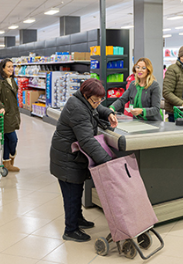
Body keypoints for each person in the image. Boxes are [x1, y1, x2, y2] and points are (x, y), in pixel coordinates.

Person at [50, 78, 118, 242]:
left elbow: (98, 108)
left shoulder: (82, 101)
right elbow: (87, 141)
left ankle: (78, 219)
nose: (98, 103)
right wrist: (107, 161)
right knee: (72, 195)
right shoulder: (78, 109)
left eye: (100, 99)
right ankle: (70, 230)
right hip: (67, 158)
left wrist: (108, 112)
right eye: (95, 100)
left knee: (77, 189)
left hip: (72, 156)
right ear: (85, 96)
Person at [0, 59, 21, 172]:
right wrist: (0, 107)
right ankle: (12, 155)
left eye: (12, 66)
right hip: (5, 115)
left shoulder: (12, 80)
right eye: (8, 67)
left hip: (13, 114)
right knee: (13, 139)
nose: (11, 69)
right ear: (2, 68)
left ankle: (6, 162)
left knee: (7, 140)